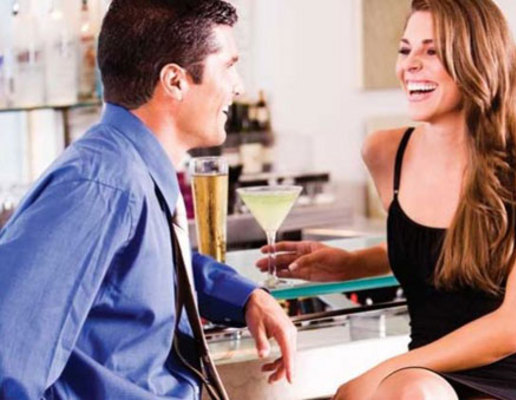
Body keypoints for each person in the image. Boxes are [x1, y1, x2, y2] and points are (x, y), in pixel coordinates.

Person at [257, 0, 516, 399]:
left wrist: (377, 373)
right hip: (430, 376)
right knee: (414, 391)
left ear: (477, 59)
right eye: (405, 49)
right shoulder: (385, 152)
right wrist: (354, 264)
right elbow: (443, 248)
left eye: (432, 51)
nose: (410, 65)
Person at [0, 1, 296, 399]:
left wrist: (244, 296)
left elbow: (146, 269)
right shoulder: (100, 186)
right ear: (175, 81)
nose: (238, 85)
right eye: (228, 66)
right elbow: (8, 357)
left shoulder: (133, 170)